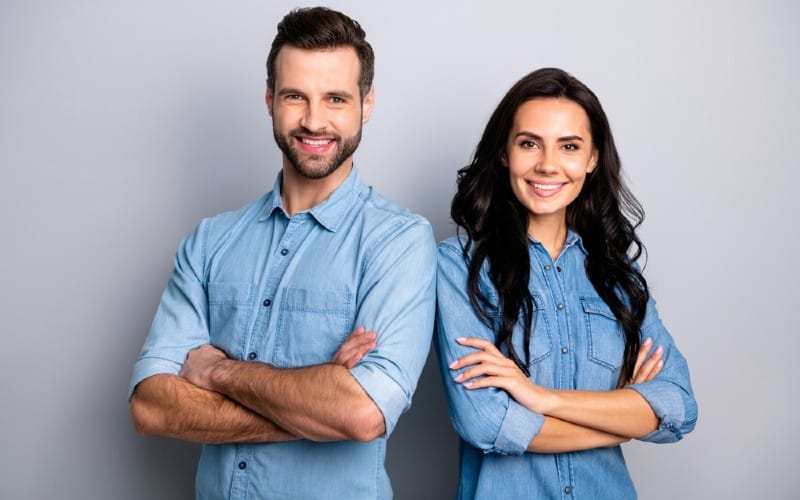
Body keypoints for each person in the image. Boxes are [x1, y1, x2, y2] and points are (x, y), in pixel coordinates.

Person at [128, 7, 436, 499]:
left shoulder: (398, 243)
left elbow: (361, 414)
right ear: (270, 99)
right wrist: (316, 403)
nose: (314, 120)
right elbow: (152, 407)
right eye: (296, 96)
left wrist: (217, 372)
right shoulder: (210, 241)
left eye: (336, 98)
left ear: (367, 103)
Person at [435, 67, 697, 499]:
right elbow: (486, 422)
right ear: (504, 153)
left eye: (569, 146)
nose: (548, 164)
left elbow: (678, 406)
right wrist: (622, 419)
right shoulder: (457, 268)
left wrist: (540, 398)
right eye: (529, 143)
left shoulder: (619, 280)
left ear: (592, 159)